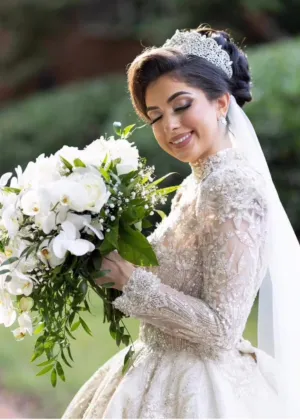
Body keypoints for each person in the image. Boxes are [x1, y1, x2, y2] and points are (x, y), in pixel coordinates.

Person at [62, 26, 300, 418]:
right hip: (154, 367)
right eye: (155, 116)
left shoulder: (233, 187)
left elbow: (221, 330)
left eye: (181, 105)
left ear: (222, 104)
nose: (170, 126)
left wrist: (130, 282)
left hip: (201, 389)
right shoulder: (198, 181)